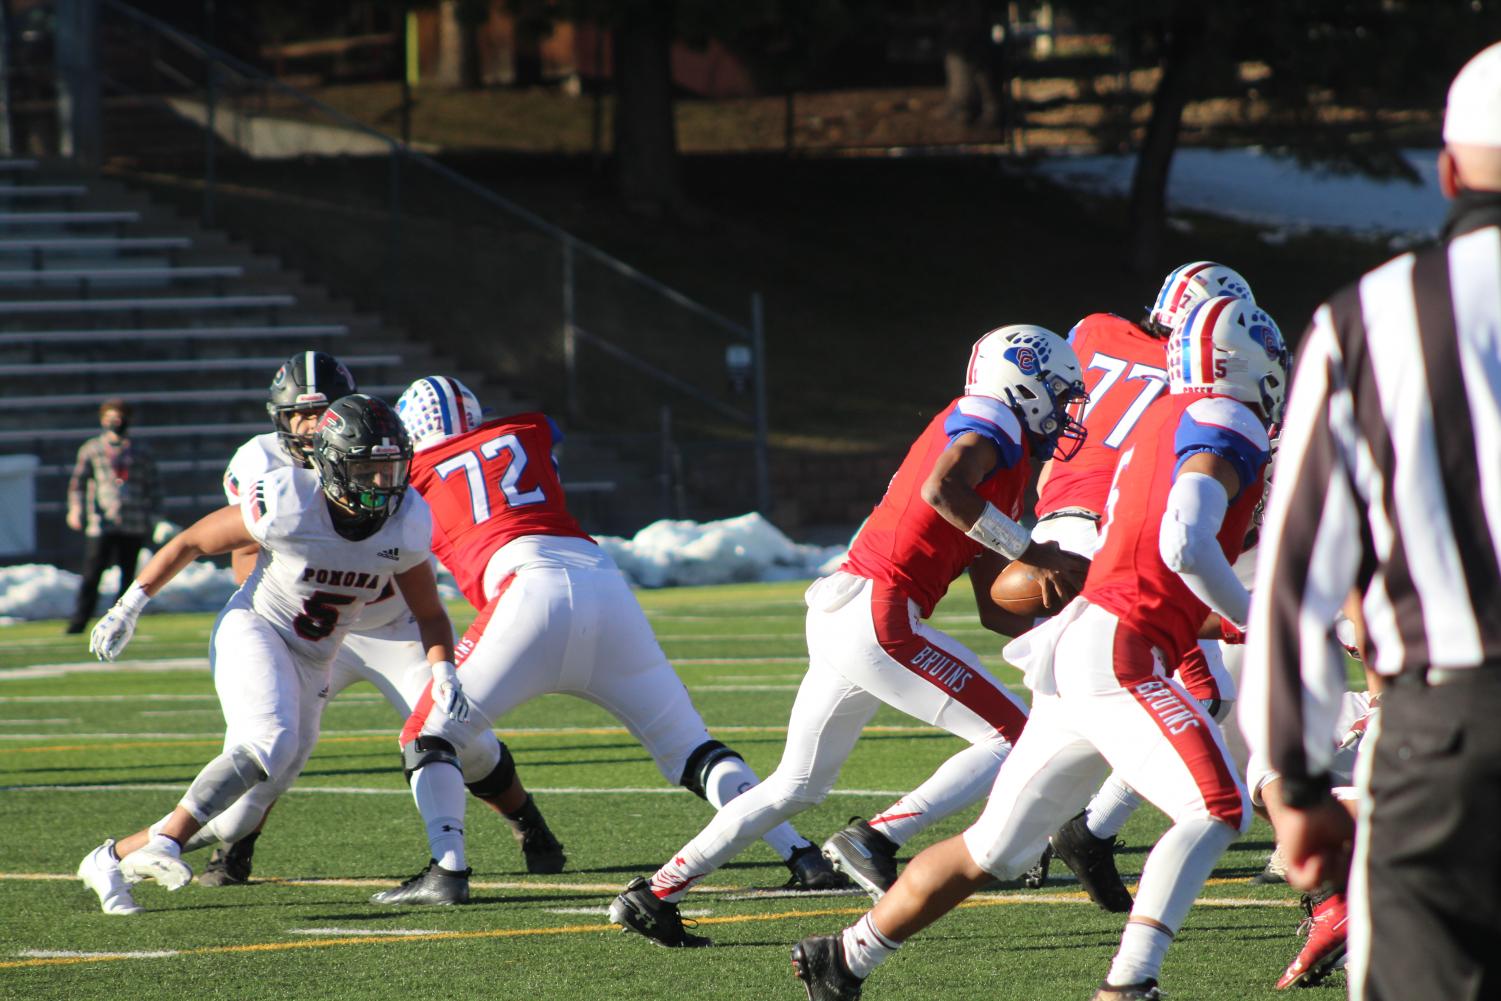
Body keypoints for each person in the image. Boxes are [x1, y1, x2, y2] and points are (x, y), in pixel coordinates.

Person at [793, 297, 1287, 1001]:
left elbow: (1160, 574)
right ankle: (1128, 985)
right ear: (1248, 364)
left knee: (989, 850)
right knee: (1216, 807)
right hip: (1118, 651)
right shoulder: (1226, 420)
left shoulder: (1160, 423)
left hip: (1085, 644)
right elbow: (1182, 544)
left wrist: (1258, 622)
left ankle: (843, 955)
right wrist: (1263, 618)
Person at [610, 325, 1091, 946]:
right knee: (1014, 735)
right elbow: (941, 488)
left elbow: (997, 610)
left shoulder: (1003, 466)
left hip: (850, 611)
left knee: (797, 784)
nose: (1063, 410)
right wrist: (1034, 550)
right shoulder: (988, 417)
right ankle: (876, 837)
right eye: (1056, 392)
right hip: (879, 611)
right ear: (1020, 380)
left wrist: (1078, 608)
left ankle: (653, 892)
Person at [1238, 41, 1501, 1001]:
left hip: (1452, 731)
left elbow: (1294, 572)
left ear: (1445, 172)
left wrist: (1296, 786)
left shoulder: (1371, 316)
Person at [375, 375, 842, 907]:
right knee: (693, 749)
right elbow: (545, 437)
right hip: (601, 579)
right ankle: (802, 857)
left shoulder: (412, 474)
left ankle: (447, 870)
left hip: (526, 590)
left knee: (428, 734)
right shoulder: (526, 429)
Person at [196, 353, 563, 889]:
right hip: (307, 630)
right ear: (278, 417)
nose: (311, 424)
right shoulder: (259, 466)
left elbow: (417, 552)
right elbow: (241, 552)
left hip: (392, 623)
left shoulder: (379, 447)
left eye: (322, 411)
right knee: (265, 739)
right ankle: (235, 847)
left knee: (461, 738)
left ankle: (527, 822)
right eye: (299, 414)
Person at [77, 395, 451, 915]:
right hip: (258, 627)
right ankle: (165, 843)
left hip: (316, 658)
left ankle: (110, 858)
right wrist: (129, 605)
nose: (381, 486)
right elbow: (191, 541)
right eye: (366, 469)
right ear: (332, 464)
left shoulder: (406, 521)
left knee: (236, 820)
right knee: (266, 739)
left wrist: (444, 671)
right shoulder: (288, 501)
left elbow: (430, 612)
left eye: (390, 470)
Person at [1021, 262, 1257, 911]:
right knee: (1203, 694)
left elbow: (1064, 414)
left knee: (1065, 703)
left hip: (1057, 520)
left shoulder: (1095, 330)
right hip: (1117, 536)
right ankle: (1081, 830)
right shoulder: (1202, 393)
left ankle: (1067, 831)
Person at [65, 398, 165, 635]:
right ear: (102, 420)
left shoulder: (141, 450)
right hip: (102, 522)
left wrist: (157, 517)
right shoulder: (93, 449)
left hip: (134, 521)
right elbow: (77, 483)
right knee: (92, 574)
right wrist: (76, 509)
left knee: (128, 578)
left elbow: (155, 486)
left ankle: (121, 622)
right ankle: (79, 621)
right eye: (110, 418)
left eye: (119, 418)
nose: (115, 423)